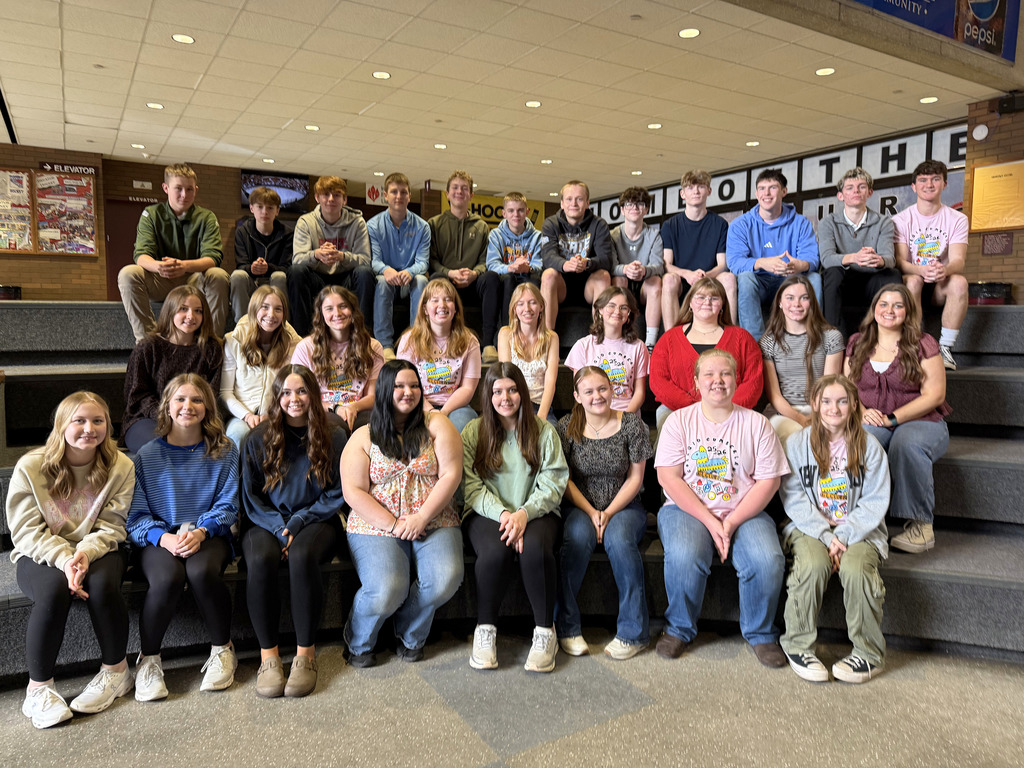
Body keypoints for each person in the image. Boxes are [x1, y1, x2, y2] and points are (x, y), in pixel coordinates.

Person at [7, 392, 135, 728]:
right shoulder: (31, 467)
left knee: (104, 584)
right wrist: (65, 560)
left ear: (108, 425)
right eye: (79, 420)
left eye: (98, 421)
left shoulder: (121, 466)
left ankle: (116, 672)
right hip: (41, 552)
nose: (89, 429)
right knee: (52, 591)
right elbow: (25, 532)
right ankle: (39, 689)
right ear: (61, 425)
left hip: (98, 547)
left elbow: (112, 524)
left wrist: (83, 554)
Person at [654, 349, 789, 667]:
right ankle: (679, 629)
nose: (718, 381)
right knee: (686, 556)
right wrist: (710, 520)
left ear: (737, 379)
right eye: (710, 375)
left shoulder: (757, 423)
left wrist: (729, 523)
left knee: (767, 559)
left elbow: (768, 482)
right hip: (686, 510)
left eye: (726, 374)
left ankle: (762, 634)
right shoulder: (679, 421)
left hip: (744, 510)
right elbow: (669, 478)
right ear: (697, 381)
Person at [340, 360, 464, 667]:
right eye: (399, 386)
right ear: (384, 390)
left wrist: (421, 517)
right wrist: (394, 524)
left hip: (434, 518)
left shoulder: (437, 424)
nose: (408, 392)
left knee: (445, 578)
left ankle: (409, 632)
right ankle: (359, 641)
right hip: (376, 524)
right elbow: (353, 491)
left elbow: (451, 474)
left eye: (414, 386)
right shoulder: (364, 436)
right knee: (386, 589)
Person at [126, 374, 240, 700]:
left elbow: (228, 506)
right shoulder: (147, 455)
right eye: (180, 399)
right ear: (168, 406)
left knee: (201, 571)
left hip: (209, 533)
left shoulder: (224, 450)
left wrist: (202, 531)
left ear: (208, 408)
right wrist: (164, 538)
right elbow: (136, 518)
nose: (188, 406)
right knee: (166, 579)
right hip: (160, 537)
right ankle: (148, 660)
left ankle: (222, 648)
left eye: (197, 400)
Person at [240, 365, 346, 698]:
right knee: (259, 558)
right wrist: (278, 526)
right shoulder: (256, 439)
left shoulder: (334, 433)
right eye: (286, 392)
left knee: (301, 556)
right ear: (276, 397)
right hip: (266, 521)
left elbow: (337, 492)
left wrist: (298, 523)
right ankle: (268, 657)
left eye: (301, 391)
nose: (294, 399)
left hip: (316, 520)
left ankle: (305, 655)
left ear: (313, 395)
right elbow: (250, 496)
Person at [779, 374, 890, 684]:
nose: (834, 408)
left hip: (859, 530)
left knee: (856, 570)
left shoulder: (870, 446)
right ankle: (798, 646)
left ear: (854, 404)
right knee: (813, 564)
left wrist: (843, 535)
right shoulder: (798, 444)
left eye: (842, 401)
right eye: (826, 401)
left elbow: (874, 500)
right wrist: (827, 536)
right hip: (810, 528)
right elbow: (794, 497)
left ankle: (868, 654)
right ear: (814, 404)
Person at [462, 363, 569, 672]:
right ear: (488, 395)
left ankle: (544, 632)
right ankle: (485, 630)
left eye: (512, 390)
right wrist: (505, 515)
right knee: (495, 551)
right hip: (487, 511)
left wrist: (523, 514)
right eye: (497, 391)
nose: (505, 397)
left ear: (522, 392)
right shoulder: (473, 431)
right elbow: (469, 485)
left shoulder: (542, 430)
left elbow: (553, 482)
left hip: (536, 511)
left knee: (534, 549)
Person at [555, 367, 653, 660]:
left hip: (624, 505)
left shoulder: (632, 425)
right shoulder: (565, 426)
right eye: (589, 391)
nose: (597, 396)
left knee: (621, 542)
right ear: (576, 396)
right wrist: (591, 512)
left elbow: (636, 480)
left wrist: (608, 512)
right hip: (580, 504)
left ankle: (633, 633)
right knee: (575, 540)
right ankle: (568, 628)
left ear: (612, 390)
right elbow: (564, 479)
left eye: (603, 389)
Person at [844, 283, 950, 554]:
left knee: (906, 445)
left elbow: (935, 395)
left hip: (921, 419)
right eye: (883, 304)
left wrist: (893, 418)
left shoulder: (923, 343)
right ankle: (857, 519)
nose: (889, 310)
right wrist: (860, 411)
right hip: (870, 417)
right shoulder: (857, 342)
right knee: (859, 443)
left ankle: (921, 527)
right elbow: (845, 388)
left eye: (897, 305)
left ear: (908, 311)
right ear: (874, 310)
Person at [118, 163, 230, 342]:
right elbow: (141, 255)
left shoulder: (207, 217)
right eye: (178, 188)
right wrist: (160, 266)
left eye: (189, 189)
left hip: (192, 281)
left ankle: (211, 342)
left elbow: (213, 257)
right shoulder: (151, 214)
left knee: (218, 275)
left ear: (196, 190)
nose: (184, 195)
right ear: (166, 188)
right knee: (128, 273)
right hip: (160, 279)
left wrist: (184, 266)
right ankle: (148, 342)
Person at [650, 277, 762, 431]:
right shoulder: (668, 339)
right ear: (689, 302)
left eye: (714, 298)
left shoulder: (742, 338)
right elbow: (658, 381)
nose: (707, 302)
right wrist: (697, 409)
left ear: (722, 304)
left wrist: (725, 409)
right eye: (701, 297)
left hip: (732, 411)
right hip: (678, 409)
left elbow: (753, 381)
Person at [122, 284, 223, 453]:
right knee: (164, 446)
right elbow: (137, 396)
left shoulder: (211, 348)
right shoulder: (149, 347)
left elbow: (211, 393)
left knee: (209, 447)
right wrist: (169, 415)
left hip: (194, 417)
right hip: (149, 418)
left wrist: (188, 416)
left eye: (198, 311)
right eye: (183, 309)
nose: (191, 316)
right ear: (170, 310)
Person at [726, 168, 821, 341]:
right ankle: (754, 343)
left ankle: (811, 337)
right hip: (758, 281)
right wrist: (761, 263)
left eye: (773, 188)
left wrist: (800, 265)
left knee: (814, 278)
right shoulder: (740, 224)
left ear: (784, 191)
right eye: (762, 188)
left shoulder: (801, 223)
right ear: (756, 193)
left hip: (788, 281)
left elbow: (812, 258)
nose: (766, 193)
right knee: (745, 278)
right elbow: (734, 262)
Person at [893, 160, 969, 371]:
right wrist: (921, 270)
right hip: (912, 282)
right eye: (923, 180)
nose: (929, 184)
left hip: (939, 284)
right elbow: (900, 262)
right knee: (914, 280)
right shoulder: (901, 219)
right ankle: (915, 345)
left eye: (935, 179)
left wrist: (944, 270)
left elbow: (958, 261)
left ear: (944, 184)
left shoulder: (957, 219)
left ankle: (945, 348)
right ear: (914, 186)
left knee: (960, 283)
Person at [760, 275, 844, 444]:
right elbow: (775, 396)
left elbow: (828, 387)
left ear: (811, 302)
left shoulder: (831, 337)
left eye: (804, 298)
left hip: (823, 408)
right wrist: (800, 419)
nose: (796, 304)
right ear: (780, 303)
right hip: (784, 411)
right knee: (784, 434)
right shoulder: (768, 342)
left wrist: (815, 416)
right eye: (790, 298)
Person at [428, 170, 500, 363]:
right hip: (447, 284)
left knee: (491, 278)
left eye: (464, 188)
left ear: (471, 195)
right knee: (435, 279)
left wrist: (475, 274)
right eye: (455, 188)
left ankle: (489, 345)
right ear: (447, 193)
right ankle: (437, 340)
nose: (459, 191)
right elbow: (431, 260)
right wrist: (449, 273)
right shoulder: (434, 224)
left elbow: (487, 260)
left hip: (473, 284)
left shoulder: (482, 226)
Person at [291, 285, 384, 434]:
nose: (337, 313)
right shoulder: (305, 347)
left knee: (371, 427)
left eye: (343, 306)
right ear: (321, 314)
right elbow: (300, 396)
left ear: (353, 310)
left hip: (359, 408)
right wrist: (336, 408)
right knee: (335, 430)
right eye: (329, 309)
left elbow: (374, 396)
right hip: (322, 408)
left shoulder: (372, 346)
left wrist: (353, 407)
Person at [288, 175, 374, 336]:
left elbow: (365, 259)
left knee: (365, 273)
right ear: (317, 198)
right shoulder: (306, 221)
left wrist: (342, 256)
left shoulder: (357, 222)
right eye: (326, 194)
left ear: (344, 199)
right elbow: (297, 258)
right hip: (317, 276)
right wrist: (316, 254)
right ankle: (301, 336)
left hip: (345, 276)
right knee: (296, 271)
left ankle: (363, 334)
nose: (331, 199)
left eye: (337, 195)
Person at [817, 168, 899, 333]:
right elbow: (826, 259)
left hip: (871, 280)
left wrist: (879, 260)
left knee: (893, 274)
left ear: (869, 192)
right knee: (832, 272)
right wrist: (855, 257)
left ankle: (890, 334)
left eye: (861, 187)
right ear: (841, 195)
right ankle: (832, 339)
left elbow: (890, 258)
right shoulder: (828, 222)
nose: (856, 191)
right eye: (849, 188)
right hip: (843, 281)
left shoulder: (884, 222)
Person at [396, 278, 482, 434]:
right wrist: (430, 411)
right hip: (416, 403)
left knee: (463, 423)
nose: (442, 305)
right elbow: (404, 384)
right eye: (435, 300)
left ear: (455, 308)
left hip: (456, 406)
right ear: (424, 309)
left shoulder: (470, 341)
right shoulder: (409, 340)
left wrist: (443, 412)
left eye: (448, 300)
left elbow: (468, 388)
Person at [221, 285, 301, 449]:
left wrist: (273, 414)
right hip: (241, 414)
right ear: (253, 309)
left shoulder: (292, 344)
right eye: (264, 307)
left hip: (278, 413)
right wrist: (247, 416)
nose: (271, 315)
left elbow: (296, 388)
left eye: (278, 309)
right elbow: (225, 393)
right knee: (239, 435)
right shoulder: (233, 340)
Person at [660, 170, 737, 329]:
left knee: (728, 278)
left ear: (709, 191)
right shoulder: (670, 226)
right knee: (668, 279)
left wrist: (705, 276)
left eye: (701, 187)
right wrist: (687, 274)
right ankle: (671, 338)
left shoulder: (720, 224)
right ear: (682, 194)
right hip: (681, 281)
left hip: (710, 280)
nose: (695, 191)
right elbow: (666, 264)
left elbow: (723, 264)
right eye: (690, 187)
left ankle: (731, 334)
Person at [367, 172, 430, 359]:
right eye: (394, 192)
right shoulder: (373, 226)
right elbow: (374, 260)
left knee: (421, 280)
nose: (399, 196)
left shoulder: (422, 227)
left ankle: (415, 340)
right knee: (381, 281)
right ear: (385, 195)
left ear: (410, 196)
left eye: (404, 192)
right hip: (387, 279)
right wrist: (386, 270)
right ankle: (385, 345)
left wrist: (409, 272)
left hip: (409, 279)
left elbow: (423, 262)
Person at [540, 180, 613, 331]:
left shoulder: (599, 224)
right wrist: (565, 265)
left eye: (579, 199)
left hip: (588, 286)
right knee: (548, 275)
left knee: (604, 275)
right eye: (569, 199)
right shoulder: (550, 224)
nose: (574, 203)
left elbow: (606, 259)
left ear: (587, 203)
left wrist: (587, 263)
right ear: (561, 203)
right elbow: (547, 256)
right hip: (561, 286)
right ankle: (547, 340)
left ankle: (600, 338)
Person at [565, 286, 649, 414]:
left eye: (624, 307)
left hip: (628, 415)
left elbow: (639, 393)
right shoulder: (583, 346)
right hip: (594, 414)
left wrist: (624, 419)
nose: (617, 311)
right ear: (600, 310)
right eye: (611, 306)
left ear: (629, 314)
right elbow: (581, 392)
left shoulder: (639, 347)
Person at [496, 282, 560, 425]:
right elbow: (506, 377)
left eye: (532, 303)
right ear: (514, 308)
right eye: (520, 304)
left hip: (541, 406)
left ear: (541, 307)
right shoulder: (505, 334)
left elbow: (550, 382)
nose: (527, 309)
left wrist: (542, 416)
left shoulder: (552, 338)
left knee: (550, 434)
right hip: (513, 404)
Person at [610, 186, 664, 350]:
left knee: (655, 281)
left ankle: (650, 343)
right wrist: (625, 269)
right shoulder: (613, 235)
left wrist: (644, 270)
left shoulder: (654, 235)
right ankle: (618, 334)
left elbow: (659, 266)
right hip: (622, 283)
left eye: (640, 204)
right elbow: (610, 265)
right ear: (622, 210)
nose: (634, 208)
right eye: (629, 204)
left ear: (646, 209)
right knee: (618, 278)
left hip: (644, 287)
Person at [230, 186, 292, 324]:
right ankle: (243, 326)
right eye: (260, 207)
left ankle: (282, 325)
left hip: (273, 282)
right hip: (251, 281)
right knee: (237, 276)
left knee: (280, 276)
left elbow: (287, 267)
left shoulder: (287, 234)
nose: (265, 212)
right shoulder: (242, 231)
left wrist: (268, 268)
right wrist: (251, 268)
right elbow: (241, 264)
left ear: (277, 211)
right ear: (252, 209)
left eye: (270, 208)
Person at [487, 191, 543, 331]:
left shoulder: (537, 236)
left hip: (528, 277)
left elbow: (540, 263)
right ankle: (508, 331)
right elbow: (492, 264)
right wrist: (511, 268)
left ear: (527, 212)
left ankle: (535, 332)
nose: (516, 215)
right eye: (511, 211)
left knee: (535, 280)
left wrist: (528, 268)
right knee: (508, 278)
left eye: (520, 210)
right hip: (506, 278)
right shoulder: (495, 234)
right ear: (504, 213)